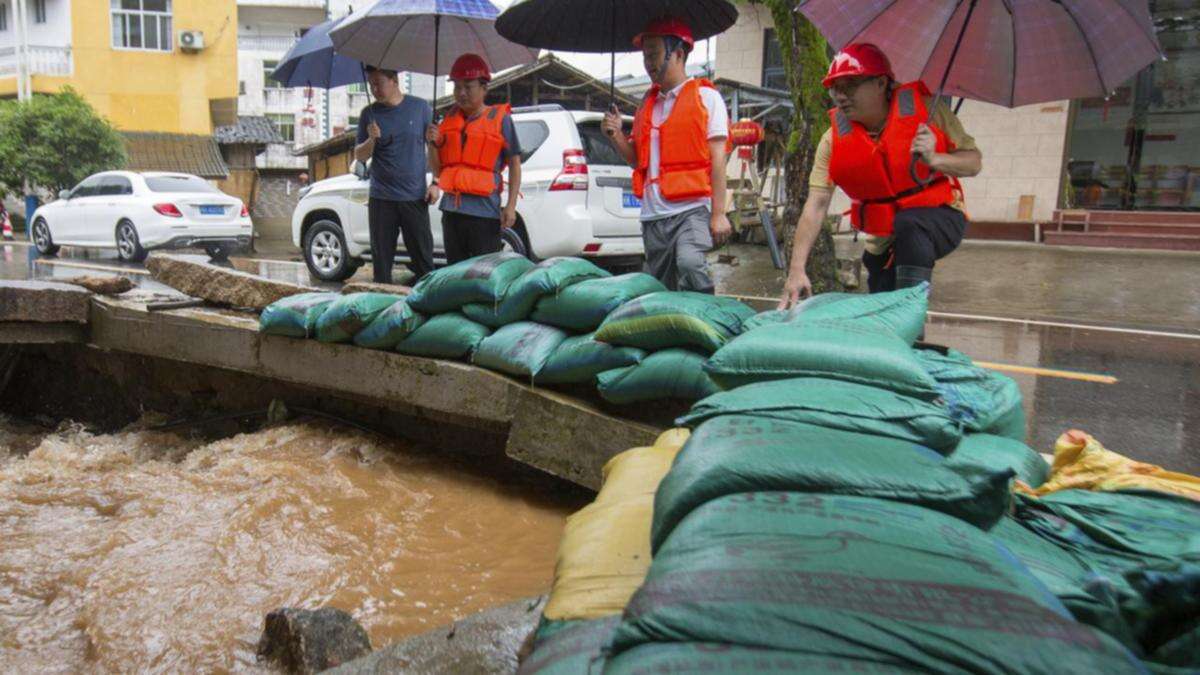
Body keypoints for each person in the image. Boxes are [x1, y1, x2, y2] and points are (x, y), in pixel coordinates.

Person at [779, 43, 982, 308]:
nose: (840, 96)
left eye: (850, 85)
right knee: (879, 299)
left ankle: (910, 321)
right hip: (884, 238)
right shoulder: (832, 140)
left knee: (911, 224)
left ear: (881, 83)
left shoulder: (927, 111)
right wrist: (796, 269)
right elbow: (816, 204)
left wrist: (935, 159)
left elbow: (973, 162)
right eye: (834, 88)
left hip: (939, 217)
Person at [602, 16, 731, 294]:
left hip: (691, 209)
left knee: (691, 264)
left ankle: (707, 325)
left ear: (679, 54)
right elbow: (637, 160)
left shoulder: (707, 99)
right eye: (645, 57)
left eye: (654, 55)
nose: (648, 64)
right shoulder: (645, 107)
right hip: (653, 215)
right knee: (659, 288)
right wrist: (615, 136)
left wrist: (719, 213)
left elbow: (718, 159)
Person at [426, 54, 522, 265]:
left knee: (484, 275)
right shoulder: (447, 122)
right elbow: (438, 170)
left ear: (484, 88)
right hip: (451, 212)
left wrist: (511, 205)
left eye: (468, 87)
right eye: (457, 87)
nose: (461, 93)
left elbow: (515, 163)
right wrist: (432, 144)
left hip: (484, 214)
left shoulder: (501, 120)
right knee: (454, 274)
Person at [354, 65, 439, 283]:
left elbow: (434, 148)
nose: (375, 89)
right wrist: (371, 140)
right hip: (382, 199)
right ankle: (382, 310)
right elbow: (359, 155)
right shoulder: (369, 114)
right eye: (371, 85)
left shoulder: (420, 108)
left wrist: (436, 182)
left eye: (379, 84)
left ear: (394, 80)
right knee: (381, 266)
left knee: (424, 264)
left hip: (414, 197)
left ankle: (426, 311)